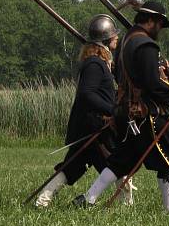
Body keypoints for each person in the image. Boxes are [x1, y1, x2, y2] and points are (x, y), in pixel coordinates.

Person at [73, 0, 169, 213]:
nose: (160, 29)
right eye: (159, 23)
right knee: (167, 162)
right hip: (149, 115)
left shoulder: (127, 41)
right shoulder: (146, 45)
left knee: (122, 161)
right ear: (150, 21)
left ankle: (88, 199)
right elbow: (152, 84)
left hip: (129, 113)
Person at [36, 14, 123, 207]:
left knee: (76, 167)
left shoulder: (102, 63)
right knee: (116, 165)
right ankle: (46, 201)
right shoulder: (94, 64)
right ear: (106, 40)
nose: (117, 38)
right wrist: (111, 110)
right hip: (91, 127)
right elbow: (86, 94)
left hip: (96, 126)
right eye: (114, 35)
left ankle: (45, 201)